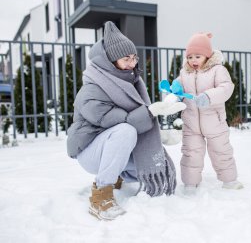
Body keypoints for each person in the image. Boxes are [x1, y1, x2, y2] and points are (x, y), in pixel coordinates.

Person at [66, 21, 183, 220]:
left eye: (133, 58)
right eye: (125, 59)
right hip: (90, 152)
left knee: (150, 165)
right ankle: (100, 195)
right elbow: (123, 122)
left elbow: (135, 125)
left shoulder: (131, 82)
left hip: (111, 146)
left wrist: (158, 135)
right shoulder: (91, 90)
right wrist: (150, 112)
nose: (132, 63)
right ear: (110, 61)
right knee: (125, 131)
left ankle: (117, 176)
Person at [175, 32, 244, 193]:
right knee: (191, 153)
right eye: (190, 57)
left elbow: (226, 88)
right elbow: (179, 88)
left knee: (221, 151)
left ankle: (229, 180)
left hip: (214, 122)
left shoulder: (217, 70)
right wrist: (175, 90)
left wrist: (208, 96)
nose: (193, 61)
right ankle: (190, 184)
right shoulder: (185, 72)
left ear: (207, 55)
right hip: (191, 123)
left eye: (197, 56)